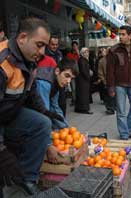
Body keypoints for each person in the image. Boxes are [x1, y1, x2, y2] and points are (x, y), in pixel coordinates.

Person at [0, 17, 63, 195]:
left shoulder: (30, 59)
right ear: (22, 38)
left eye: (45, 46)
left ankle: (27, 178)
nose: (43, 51)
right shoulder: (3, 63)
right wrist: (2, 152)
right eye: (39, 45)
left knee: (42, 123)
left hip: (7, 115)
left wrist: (44, 111)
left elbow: (31, 90)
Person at [107, 25, 131, 140]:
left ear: (130, 36)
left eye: (123, 34)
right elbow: (110, 71)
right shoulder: (113, 50)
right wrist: (111, 87)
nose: (120, 36)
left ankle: (127, 129)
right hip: (119, 85)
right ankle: (124, 135)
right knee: (121, 112)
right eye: (120, 34)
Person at [36, 57, 78, 130]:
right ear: (57, 71)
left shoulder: (57, 81)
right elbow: (44, 112)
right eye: (67, 76)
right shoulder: (44, 83)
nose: (68, 81)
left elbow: (55, 107)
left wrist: (66, 128)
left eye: (71, 78)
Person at [45, 35, 67, 117]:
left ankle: (62, 123)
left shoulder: (59, 54)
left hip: (60, 83)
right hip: (50, 83)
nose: (54, 46)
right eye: (52, 44)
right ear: (48, 44)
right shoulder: (45, 54)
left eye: (56, 44)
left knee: (62, 103)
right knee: (52, 105)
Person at [75, 47, 93, 114]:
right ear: (82, 53)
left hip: (83, 80)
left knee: (83, 95)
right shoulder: (82, 60)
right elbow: (83, 70)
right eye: (86, 52)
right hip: (83, 80)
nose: (87, 53)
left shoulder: (83, 59)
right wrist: (88, 76)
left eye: (87, 52)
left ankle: (80, 108)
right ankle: (84, 109)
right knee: (83, 95)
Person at [98, 48, 116, 115]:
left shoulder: (115, 60)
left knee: (115, 95)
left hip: (115, 80)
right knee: (108, 96)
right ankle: (110, 108)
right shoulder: (102, 60)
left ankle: (114, 107)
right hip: (106, 80)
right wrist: (103, 80)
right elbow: (100, 72)